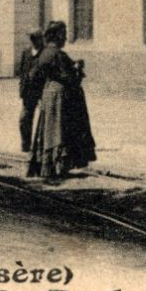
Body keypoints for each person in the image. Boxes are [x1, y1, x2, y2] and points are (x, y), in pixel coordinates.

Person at [25, 21, 97, 179]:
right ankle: (59, 166)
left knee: (48, 129)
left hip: (48, 95)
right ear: (57, 36)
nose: (65, 38)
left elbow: (33, 75)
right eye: (63, 34)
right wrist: (77, 70)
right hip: (61, 97)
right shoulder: (58, 54)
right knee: (60, 130)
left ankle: (47, 165)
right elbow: (68, 77)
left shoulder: (45, 53)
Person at [17, 30, 45, 152]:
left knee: (45, 119)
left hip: (42, 91)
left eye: (35, 38)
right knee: (24, 119)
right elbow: (22, 72)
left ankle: (42, 146)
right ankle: (26, 144)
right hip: (28, 91)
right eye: (31, 38)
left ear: (41, 38)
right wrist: (22, 87)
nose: (33, 40)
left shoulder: (45, 53)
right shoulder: (26, 53)